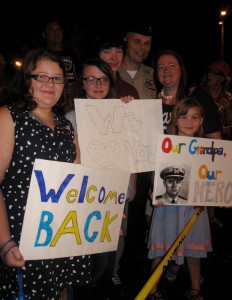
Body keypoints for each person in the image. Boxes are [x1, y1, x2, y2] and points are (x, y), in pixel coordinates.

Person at [0, 48, 92, 299]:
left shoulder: (66, 126)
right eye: (41, 76)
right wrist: (5, 242)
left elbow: (78, 183)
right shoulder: (9, 117)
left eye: (57, 78)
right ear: (26, 79)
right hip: (21, 233)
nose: (50, 84)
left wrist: (100, 217)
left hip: (61, 231)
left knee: (61, 288)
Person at [65, 57, 133, 300]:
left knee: (109, 254)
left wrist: (130, 111)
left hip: (113, 193)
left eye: (103, 79)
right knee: (92, 260)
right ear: (82, 83)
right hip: (84, 195)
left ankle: (100, 292)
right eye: (91, 79)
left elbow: (133, 149)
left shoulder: (122, 110)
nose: (97, 84)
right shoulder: (70, 118)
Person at [147, 97, 213, 300]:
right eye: (183, 117)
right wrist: (154, 191)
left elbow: (212, 175)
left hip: (193, 208)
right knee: (161, 250)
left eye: (195, 117)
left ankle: (195, 287)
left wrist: (213, 195)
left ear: (202, 120)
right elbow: (155, 172)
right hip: (168, 207)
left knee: (194, 250)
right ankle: (152, 289)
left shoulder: (207, 147)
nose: (189, 121)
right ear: (175, 120)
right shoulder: (166, 144)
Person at [117, 23, 156, 285]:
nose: (142, 47)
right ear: (125, 41)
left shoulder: (154, 76)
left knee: (141, 213)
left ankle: (133, 264)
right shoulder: (109, 71)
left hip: (146, 158)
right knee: (120, 216)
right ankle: (113, 270)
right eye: (137, 41)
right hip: (117, 158)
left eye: (147, 43)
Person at [42, 20, 79, 105]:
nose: (56, 33)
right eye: (51, 30)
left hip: (71, 101)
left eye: (58, 30)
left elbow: (78, 78)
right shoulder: (42, 56)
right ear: (44, 35)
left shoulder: (72, 55)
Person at [201, 60, 232, 140]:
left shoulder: (229, 97)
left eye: (213, 73)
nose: (209, 75)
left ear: (221, 78)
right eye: (209, 72)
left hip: (224, 142)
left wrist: (228, 109)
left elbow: (230, 123)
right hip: (202, 139)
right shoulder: (199, 94)